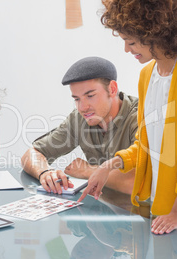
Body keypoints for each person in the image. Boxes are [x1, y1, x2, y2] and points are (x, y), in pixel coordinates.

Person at [79, 0, 177, 235]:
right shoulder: (147, 75)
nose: (126, 49)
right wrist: (107, 166)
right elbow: (146, 142)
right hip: (168, 203)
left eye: (131, 41)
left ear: (155, 33)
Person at [21, 56, 138, 194]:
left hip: (142, 212)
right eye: (77, 99)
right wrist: (45, 172)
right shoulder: (79, 119)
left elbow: (135, 183)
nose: (82, 107)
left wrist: (86, 171)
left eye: (90, 96)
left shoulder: (140, 115)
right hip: (100, 206)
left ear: (112, 89)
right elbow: (31, 154)